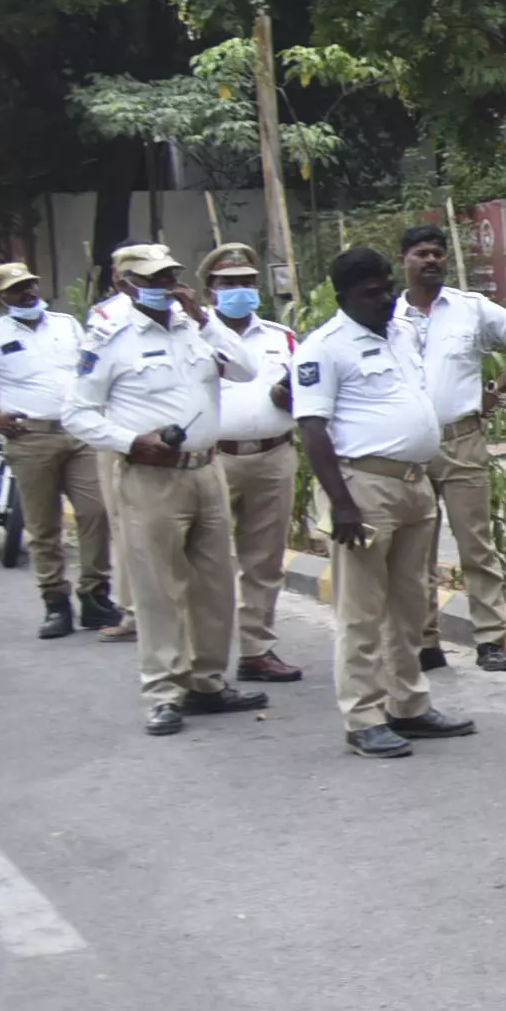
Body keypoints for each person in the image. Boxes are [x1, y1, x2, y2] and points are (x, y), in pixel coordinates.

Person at [65, 244, 265, 736]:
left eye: (170, 275)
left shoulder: (193, 327)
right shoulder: (110, 338)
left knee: (215, 584)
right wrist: (131, 441)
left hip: (206, 469)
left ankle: (207, 682)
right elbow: (78, 413)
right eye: (152, 277)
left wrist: (203, 316)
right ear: (126, 284)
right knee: (158, 587)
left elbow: (245, 369)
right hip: (150, 475)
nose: (164, 284)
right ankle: (163, 691)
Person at [293, 244, 466, 758]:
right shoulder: (323, 347)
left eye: (388, 287)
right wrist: (340, 502)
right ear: (344, 296)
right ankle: (363, 716)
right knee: (362, 611)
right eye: (372, 293)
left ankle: (408, 705)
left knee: (410, 605)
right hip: (364, 488)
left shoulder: (401, 331)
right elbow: (313, 430)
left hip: (415, 485)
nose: (386, 298)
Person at [0, 262, 118, 639]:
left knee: (96, 512)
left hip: (79, 432)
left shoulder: (67, 324)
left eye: (31, 284)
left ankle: (96, 596)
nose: (29, 293)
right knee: (43, 525)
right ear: (0, 297)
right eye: (17, 289)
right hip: (30, 437)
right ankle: (55, 603)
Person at [398, 222, 506, 674]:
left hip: (462, 442)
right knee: (415, 550)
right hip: (408, 448)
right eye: (421, 253)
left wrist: (497, 388)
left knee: (476, 547)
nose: (431, 260)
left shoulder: (472, 309)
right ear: (404, 260)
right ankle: (426, 641)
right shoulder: (387, 317)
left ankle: (489, 639)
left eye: (437, 253)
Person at [200, 242, 304, 683]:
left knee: (264, 560)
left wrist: (292, 395)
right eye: (229, 284)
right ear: (210, 290)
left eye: (246, 282)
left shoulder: (281, 337)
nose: (239, 290)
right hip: (213, 460)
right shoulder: (192, 335)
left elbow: (308, 387)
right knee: (207, 562)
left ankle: (257, 650)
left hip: (273, 455)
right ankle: (203, 659)